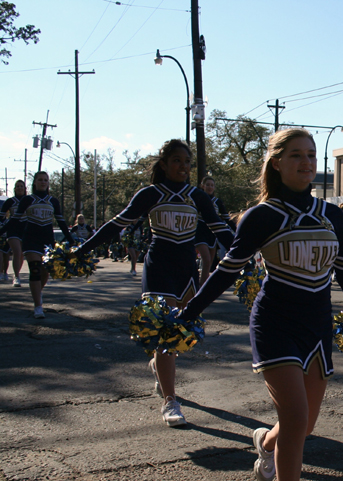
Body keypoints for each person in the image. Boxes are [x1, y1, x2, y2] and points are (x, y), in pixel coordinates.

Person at [179, 129, 343, 481]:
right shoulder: (262, 216)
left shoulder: (332, 214)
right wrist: (190, 312)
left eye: (312, 155)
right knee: (297, 418)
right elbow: (227, 270)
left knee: (304, 424)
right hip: (275, 324)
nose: (305, 162)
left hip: (317, 327)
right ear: (277, 162)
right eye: (296, 155)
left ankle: (265, 443)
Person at [75, 139, 234, 427]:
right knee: (167, 333)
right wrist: (82, 249)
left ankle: (159, 366)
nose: (183, 167)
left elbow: (221, 229)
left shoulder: (197, 196)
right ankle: (170, 401)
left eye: (187, 162)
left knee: (183, 330)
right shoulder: (150, 194)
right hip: (159, 267)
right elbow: (116, 224)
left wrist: (246, 256)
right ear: (164, 164)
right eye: (177, 161)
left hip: (186, 270)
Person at [0, 172, 74, 317]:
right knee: (34, 269)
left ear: (48, 183)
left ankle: (37, 293)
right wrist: (1, 231)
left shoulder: (53, 201)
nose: (43, 182)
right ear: (35, 182)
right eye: (40, 180)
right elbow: (14, 220)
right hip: (30, 238)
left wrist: (71, 239)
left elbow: (61, 222)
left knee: (45, 272)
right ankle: (38, 307)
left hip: (47, 240)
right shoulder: (28, 199)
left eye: (45, 180)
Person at [195, 176, 233, 284]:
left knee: (209, 264)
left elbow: (227, 218)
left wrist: (237, 229)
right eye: (207, 185)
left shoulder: (217, 202)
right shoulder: (198, 198)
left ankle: (202, 291)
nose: (210, 187)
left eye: (212, 185)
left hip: (212, 233)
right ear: (203, 186)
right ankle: (196, 287)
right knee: (206, 261)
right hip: (200, 231)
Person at [1, 180, 27, 285]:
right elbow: (1, 215)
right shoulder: (10, 201)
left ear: (25, 188)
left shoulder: (29, 200)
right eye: (18, 186)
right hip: (12, 229)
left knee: (21, 254)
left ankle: (17, 273)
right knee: (17, 251)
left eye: (22, 186)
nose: (20, 188)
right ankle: (16, 277)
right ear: (14, 189)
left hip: (25, 229)